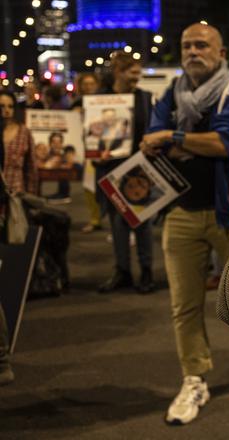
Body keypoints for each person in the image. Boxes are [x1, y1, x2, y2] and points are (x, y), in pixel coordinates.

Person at [141, 22, 229, 426]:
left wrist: (173, 138)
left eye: (202, 44)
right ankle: (195, 378)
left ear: (221, 54)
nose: (192, 51)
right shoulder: (171, 94)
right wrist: (173, 139)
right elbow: (150, 141)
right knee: (184, 307)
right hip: (180, 214)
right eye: (186, 45)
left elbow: (227, 143)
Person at [95, 52, 155, 295]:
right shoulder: (99, 100)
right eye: (132, 72)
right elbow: (92, 135)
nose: (137, 77)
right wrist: (95, 151)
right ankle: (123, 271)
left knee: (142, 220)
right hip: (110, 169)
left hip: (138, 170)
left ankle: (146, 271)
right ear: (118, 71)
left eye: (138, 73)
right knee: (118, 223)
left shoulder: (144, 98)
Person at [71, 73, 104, 232]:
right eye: (85, 84)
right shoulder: (77, 103)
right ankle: (95, 219)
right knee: (89, 186)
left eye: (92, 83)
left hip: (104, 147)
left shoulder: (104, 100)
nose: (89, 87)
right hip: (85, 149)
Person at [0, 90, 38, 200]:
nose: (6, 110)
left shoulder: (23, 132)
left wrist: (31, 196)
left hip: (16, 193)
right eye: (1, 106)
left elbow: (31, 167)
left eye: (10, 106)